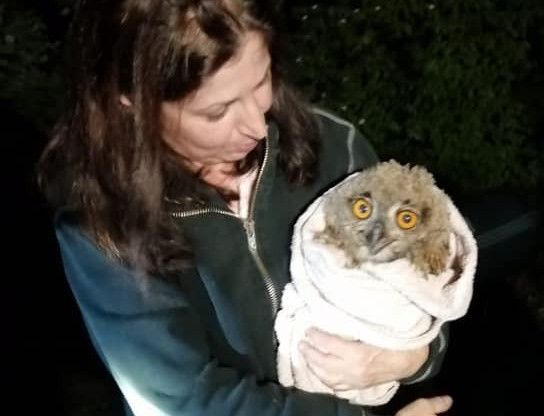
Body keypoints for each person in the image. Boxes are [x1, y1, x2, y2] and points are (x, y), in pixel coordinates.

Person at [36, 0, 454, 415]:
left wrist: (414, 357)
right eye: (216, 112)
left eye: (261, 81)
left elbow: (425, 279)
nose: (256, 125)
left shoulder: (333, 146)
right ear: (131, 101)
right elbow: (187, 401)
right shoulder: (101, 225)